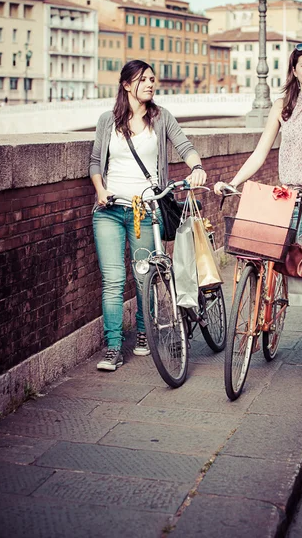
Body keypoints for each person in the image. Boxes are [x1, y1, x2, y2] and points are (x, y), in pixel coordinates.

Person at [215, 42, 302, 391]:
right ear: (294, 71)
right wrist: (232, 182)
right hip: (296, 205)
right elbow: (261, 152)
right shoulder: (282, 107)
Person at [90, 59, 206, 372]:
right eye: (143, 80)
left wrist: (196, 167)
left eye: (152, 79)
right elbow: (95, 162)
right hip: (109, 211)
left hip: (144, 211)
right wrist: (100, 190)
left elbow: (184, 146)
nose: (150, 84)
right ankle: (113, 347)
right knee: (113, 282)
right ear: (126, 84)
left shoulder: (162, 117)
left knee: (144, 277)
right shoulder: (107, 121)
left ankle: (145, 334)